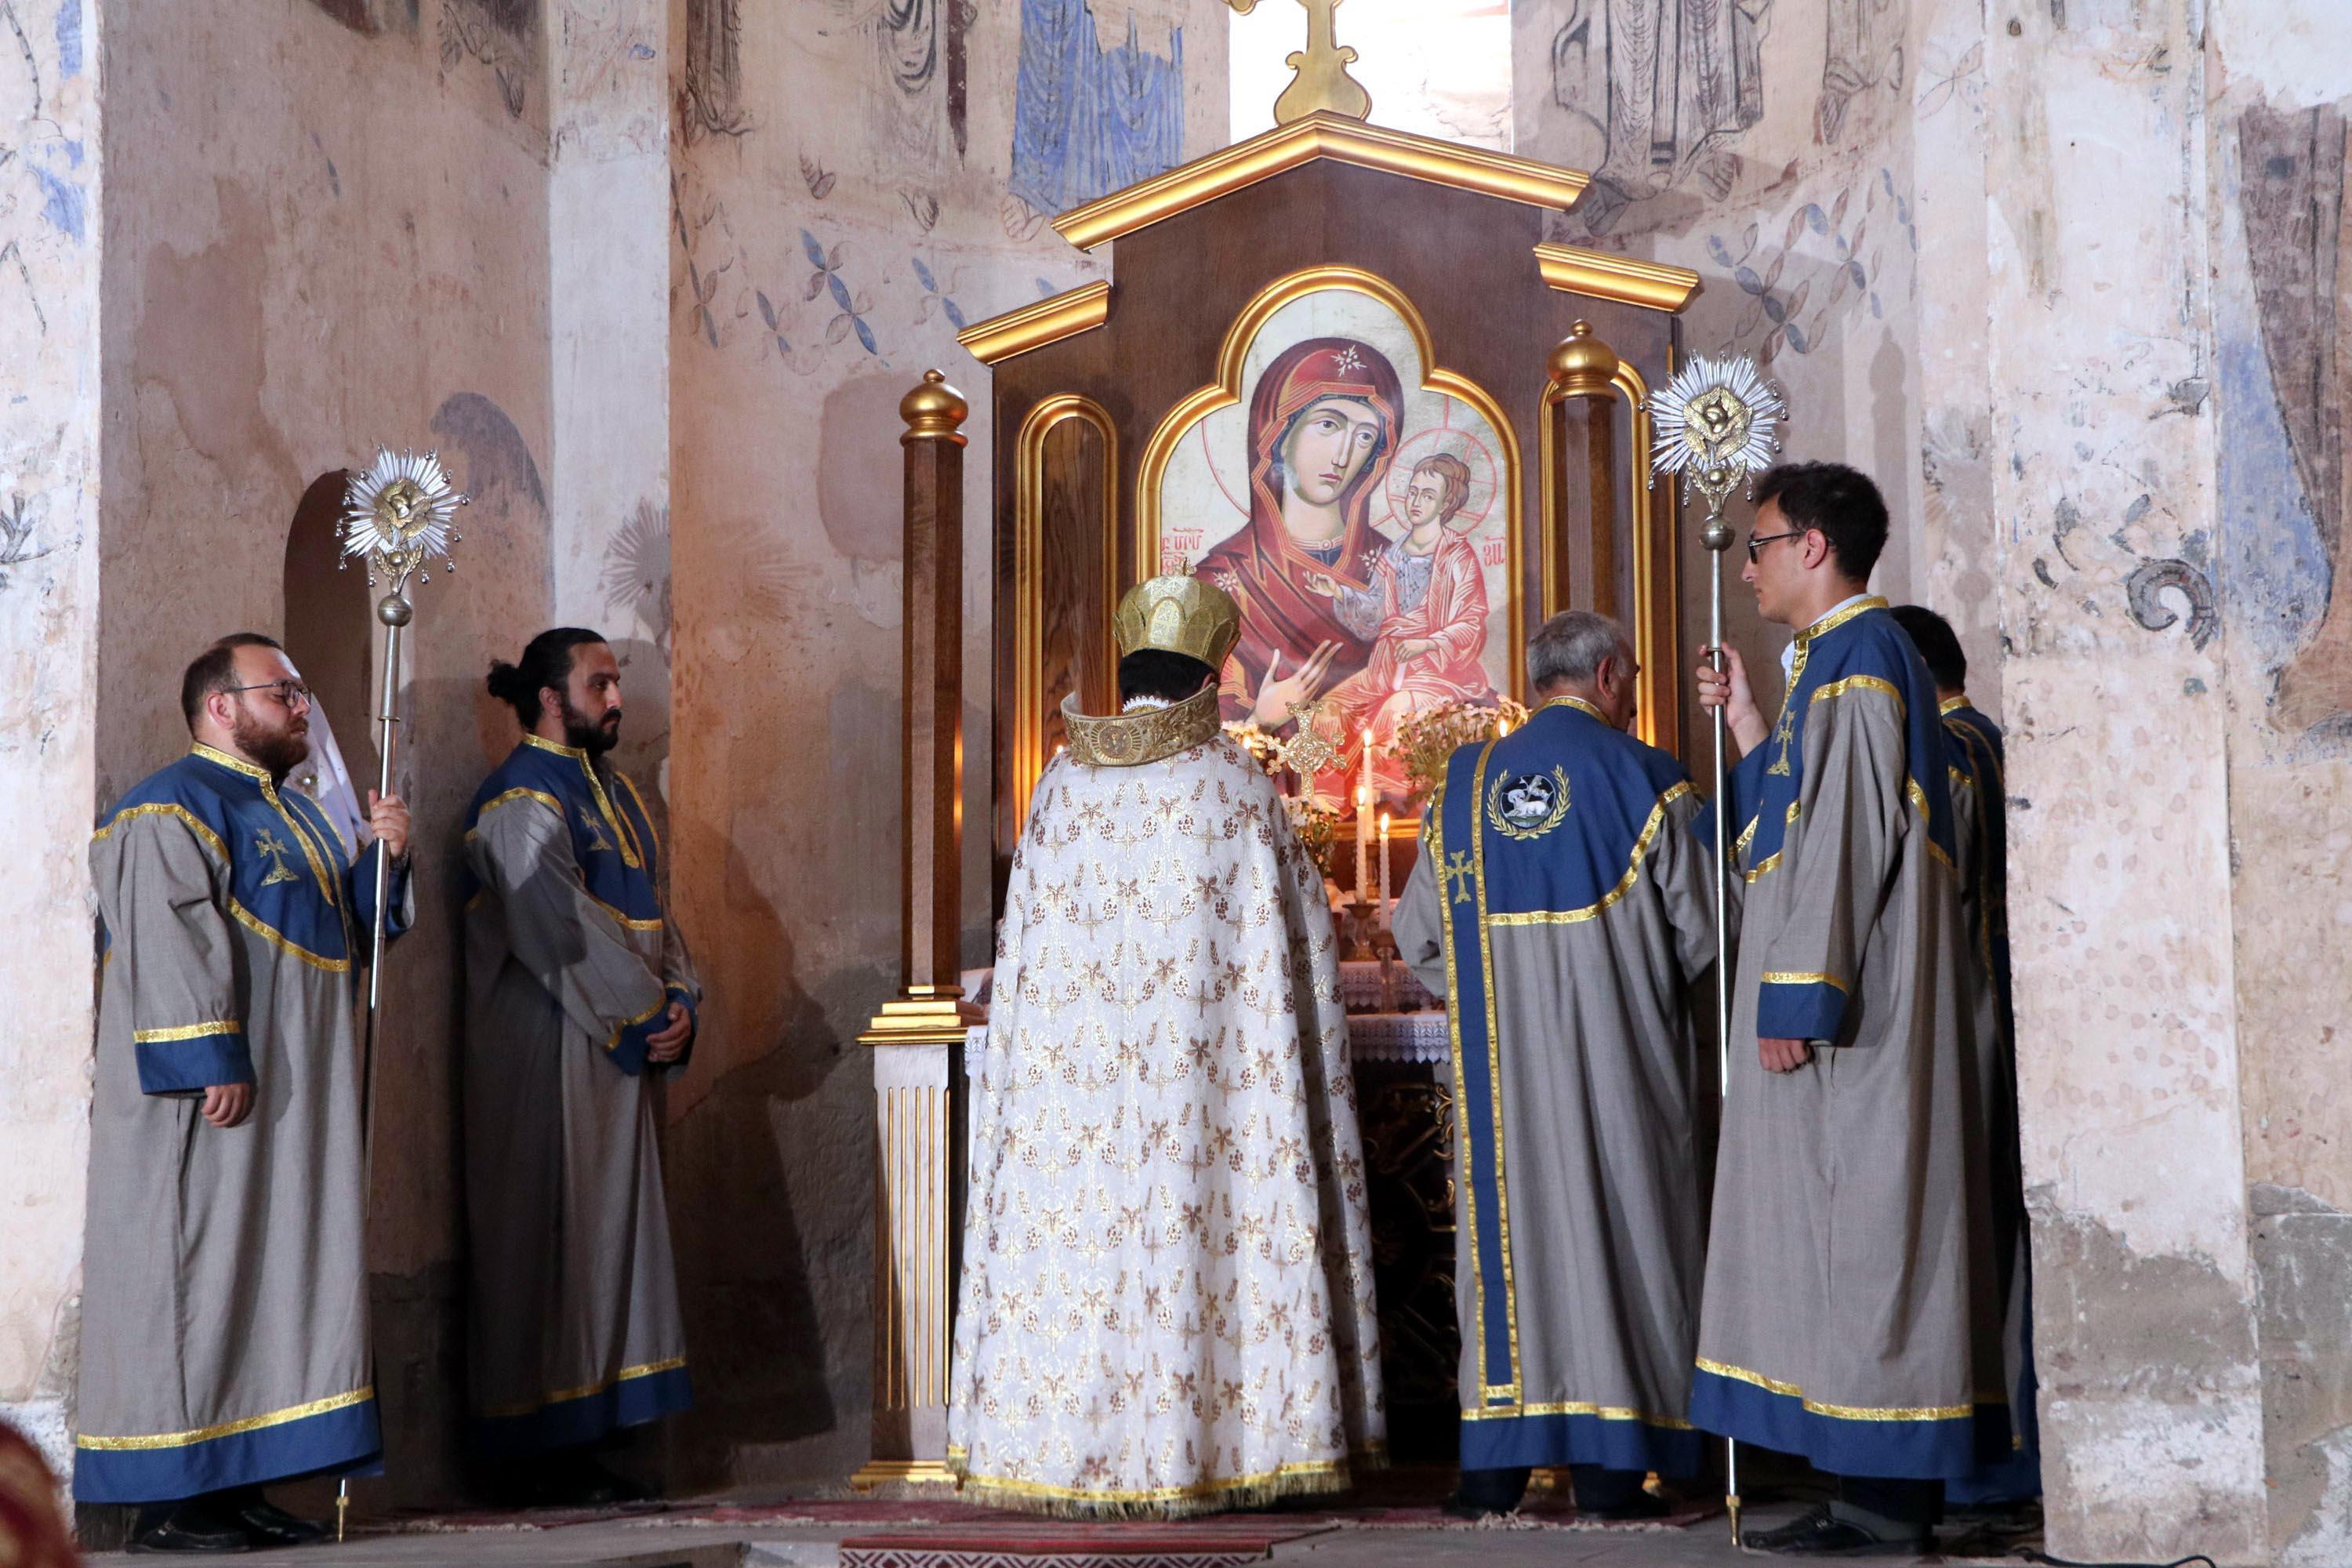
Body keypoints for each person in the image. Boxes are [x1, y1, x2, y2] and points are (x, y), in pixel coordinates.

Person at [948, 575, 1385, 1516]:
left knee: (1087, 1248)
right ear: (1207, 677)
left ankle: (1068, 1445)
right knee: (1202, 1233)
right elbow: (1300, 941)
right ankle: (1220, 1447)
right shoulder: (1232, 786)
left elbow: (1023, 952)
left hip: (1082, 1103)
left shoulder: (1060, 785)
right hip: (1206, 1098)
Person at [1688, 464, 2006, 1555]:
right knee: (1836, 1247)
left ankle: (1890, 1503)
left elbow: (1844, 845)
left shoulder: (1865, 659)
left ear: (1813, 546)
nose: (1749, 563)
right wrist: (1743, 719)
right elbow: (1782, 821)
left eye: (1760, 542)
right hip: (1838, 1001)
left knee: (1872, 1241)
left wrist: (1798, 995)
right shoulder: (1835, 664)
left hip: (1857, 1013)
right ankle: (1862, 1482)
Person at [76, 633, 412, 1552]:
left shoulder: (301, 816)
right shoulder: (165, 807)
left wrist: (382, 862)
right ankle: (173, 1500)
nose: (303, 707)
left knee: (278, 1277)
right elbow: (165, 931)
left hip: (296, 1101)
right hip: (210, 1097)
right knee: (198, 1274)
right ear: (221, 706)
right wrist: (208, 1051)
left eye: (301, 693)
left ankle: (243, 1481)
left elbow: (344, 933)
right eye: (284, 692)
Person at [1393, 611, 1718, 1522]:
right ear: (1611, 675)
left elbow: (1418, 934)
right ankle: (1619, 1471)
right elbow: (1708, 934)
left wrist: (1499, 997)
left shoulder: (1461, 788)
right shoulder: (1648, 778)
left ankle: (1495, 1471)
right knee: (1625, 1239)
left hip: (1503, 1077)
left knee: (1508, 1251)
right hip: (1623, 1066)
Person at [460, 630, 699, 1504]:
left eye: (616, 680)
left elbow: (655, 915)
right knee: (546, 1233)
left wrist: (683, 999)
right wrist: (645, 1013)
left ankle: (588, 1431)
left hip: (615, 1038)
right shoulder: (519, 799)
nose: (616, 697)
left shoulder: (618, 793)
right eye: (599, 682)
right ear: (551, 698)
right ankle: (534, 1447)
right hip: (546, 1045)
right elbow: (558, 928)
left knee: (603, 1238)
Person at [1891, 604, 2037, 1507]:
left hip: (1969, 1014)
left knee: (1973, 1242)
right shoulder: (1985, 737)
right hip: (1998, 1005)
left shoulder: (1947, 751)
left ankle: (1987, 1459)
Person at [1194, 336, 1404, 733]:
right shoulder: (1225, 580)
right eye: (1328, 424)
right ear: (1279, 434)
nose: (1343, 456)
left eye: (1364, 436)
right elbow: (1198, 731)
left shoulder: (1394, 567)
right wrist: (1260, 719)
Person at [1312, 451, 1496, 757]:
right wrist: (1341, 593)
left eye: (1427, 495)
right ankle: (1328, 802)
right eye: (1412, 492)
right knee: (1326, 712)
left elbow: (1471, 622)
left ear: (1446, 503)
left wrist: (1426, 643)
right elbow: (1375, 614)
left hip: (1436, 672)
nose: (1416, 502)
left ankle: (1380, 798)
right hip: (1384, 668)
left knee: (1392, 716)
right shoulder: (1393, 555)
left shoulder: (1457, 557)